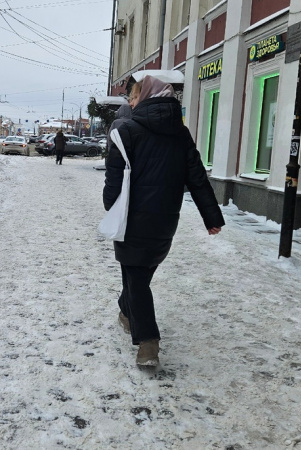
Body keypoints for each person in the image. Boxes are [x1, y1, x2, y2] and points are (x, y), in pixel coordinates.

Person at [103, 75, 225, 367]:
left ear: (144, 97)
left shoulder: (126, 130)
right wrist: (212, 216)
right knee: (139, 272)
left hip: (131, 218)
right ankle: (126, 311)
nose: (130, 103)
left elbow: (114, 180)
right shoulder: (180, 133)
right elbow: (197, 178)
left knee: (137, 275)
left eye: (133, 98)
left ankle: (148, 343)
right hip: (166, 220)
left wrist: (111, 209)